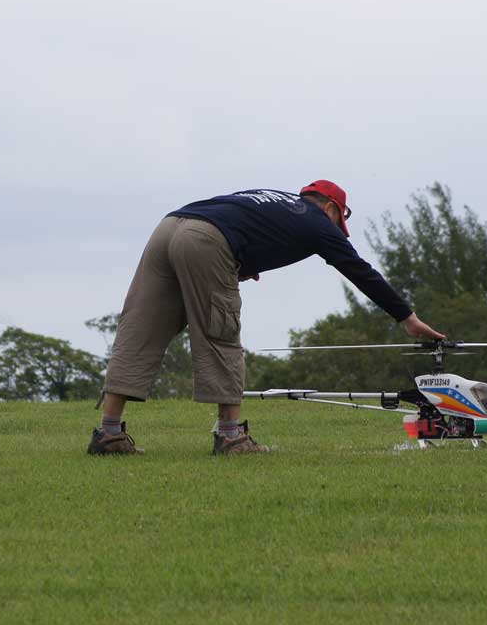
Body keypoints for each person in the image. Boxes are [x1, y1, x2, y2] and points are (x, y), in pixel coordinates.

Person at [89, 181, 445, 456]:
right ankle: (231, 437)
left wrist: (242, 261)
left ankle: (109, 432)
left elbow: (240, 225)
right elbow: (358, 270)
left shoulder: (274, 200)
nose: (338, 229)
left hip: (169, 226)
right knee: (220, 331)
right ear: (331, 208)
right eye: (341, 220)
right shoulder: (318, 222)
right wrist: (407, 318)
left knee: (141, 328)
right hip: (205, 239)